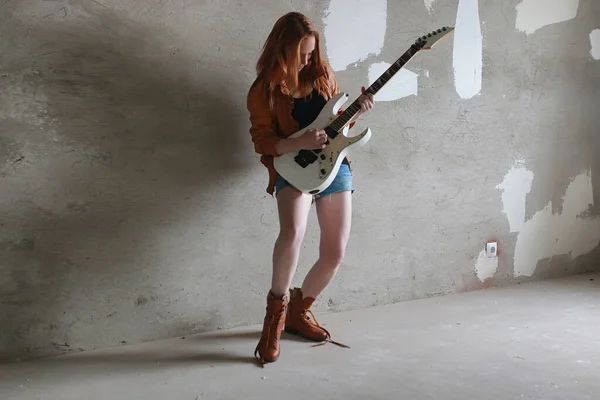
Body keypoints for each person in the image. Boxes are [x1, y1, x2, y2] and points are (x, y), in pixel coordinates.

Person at [246, 11, 375, 366]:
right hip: (293, 166)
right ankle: (274, 318)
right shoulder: (263, 90)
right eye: (301, 54)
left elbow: (335, 126)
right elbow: (263, 141)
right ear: (282, 49)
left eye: (310, 53)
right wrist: (299, 142)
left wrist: (358, 113)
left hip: (334, 167)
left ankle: (298, 314)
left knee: (335, 251)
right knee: (292, 234)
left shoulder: (322, 75)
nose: (307, 60)